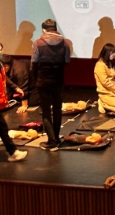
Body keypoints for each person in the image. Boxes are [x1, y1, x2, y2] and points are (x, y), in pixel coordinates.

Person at [31, 19, 70, 150]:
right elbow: (66, 61)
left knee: (46, 111)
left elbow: (34, 63)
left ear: (44, 30)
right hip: (58, 80)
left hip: (43, 80)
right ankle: (57, 138)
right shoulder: (65, 43)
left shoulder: (38, 43)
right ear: (55, 28)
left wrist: (35, 79)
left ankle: (51, 140)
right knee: (57, 110)